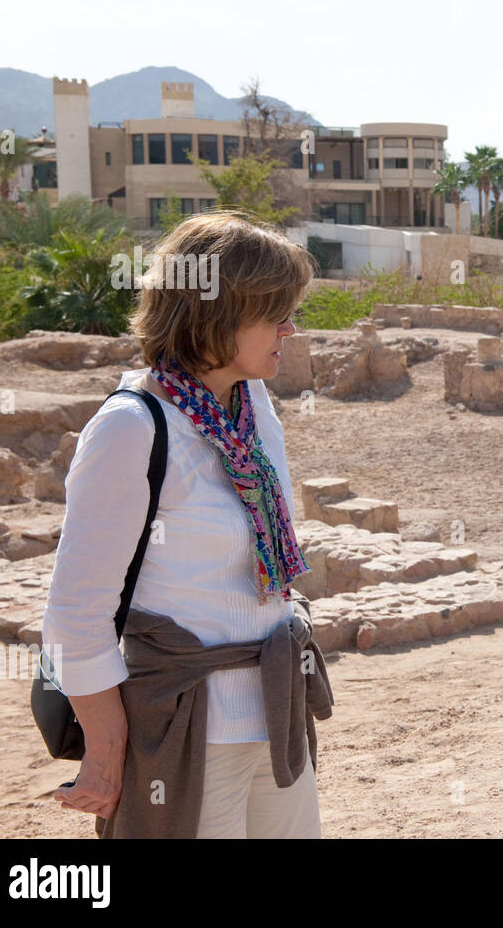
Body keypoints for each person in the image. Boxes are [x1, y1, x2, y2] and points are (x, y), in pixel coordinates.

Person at [40, 209, 331, 838]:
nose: (290, 327)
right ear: (216, 315)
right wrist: (106, 749)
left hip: (276, 718)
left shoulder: (249, 405)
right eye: (274, 311)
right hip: (187, 730)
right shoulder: (131, 426)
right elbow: (74, 616)